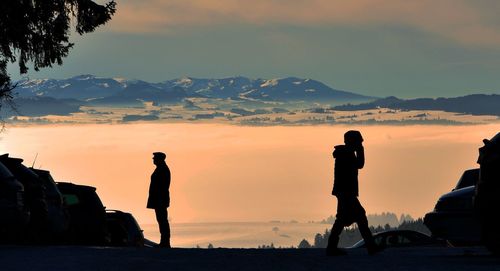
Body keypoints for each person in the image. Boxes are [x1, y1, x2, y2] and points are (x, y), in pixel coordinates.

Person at [326, 130, 381, 256]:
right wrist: (361, 150)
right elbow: (360, 165)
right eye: (359, 141)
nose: (361, 143)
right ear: (352, 141)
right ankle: (371, 247)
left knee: (342, 219)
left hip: (344, 192)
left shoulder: (346, 153)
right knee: (359, 216)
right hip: (346, 192)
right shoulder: (346, 155)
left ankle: (332, 247)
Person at [147, 152, 171, 248]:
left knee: (162, 220)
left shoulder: (163, 169)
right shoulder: (161, 169)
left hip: (160, 199)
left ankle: (165, 242)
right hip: (159, 199)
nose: (153, 159)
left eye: (155, 158)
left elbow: (162, 186)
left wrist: (158, 198)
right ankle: (164, 242)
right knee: (161, 220)